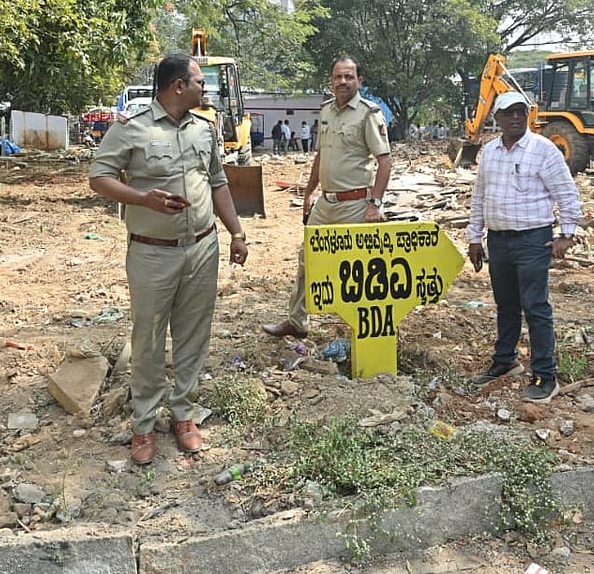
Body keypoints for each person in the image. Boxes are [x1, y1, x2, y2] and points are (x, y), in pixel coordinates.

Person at [88, 53, 250, 465]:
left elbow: (218, 182)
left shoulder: (204, 128)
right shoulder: (133, 127)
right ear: (179, 86)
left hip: (202, 248)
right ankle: (143, 423)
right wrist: (144, 199)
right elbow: (99, 178)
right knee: (148, 338)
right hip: (151, 252)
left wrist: (236, 232)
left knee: (194, 334)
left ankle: (183, 414)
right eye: (199, 82)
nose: (204, 89)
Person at [262, 56, 392, 338]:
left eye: (348, 76)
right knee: (307, 259)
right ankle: (297, 321)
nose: (342, 82)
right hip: (326, 204)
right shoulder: (326, 111)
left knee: (357, 268)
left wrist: (375, 204)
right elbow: (321, 155)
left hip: (356, 205)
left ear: (359, 81)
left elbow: (385, 161)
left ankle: (361, 331)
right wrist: (309, 192)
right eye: (337, 77)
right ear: (331, 80)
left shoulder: (369, 114)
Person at [466, 92, 583, 402]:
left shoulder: (543, 150)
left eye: (520, 111)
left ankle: (545, 375)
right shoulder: (490, 152)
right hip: (498, 240)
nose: (515, 117)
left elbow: (567, 193)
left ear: (528, 115)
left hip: (532, 239)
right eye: (508, 112)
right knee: (506, 305)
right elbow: (479, 196)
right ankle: (505, 360)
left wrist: (567, 234)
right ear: (497, 118)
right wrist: (474, 236)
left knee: (535, 306)